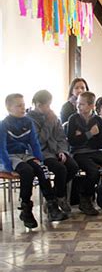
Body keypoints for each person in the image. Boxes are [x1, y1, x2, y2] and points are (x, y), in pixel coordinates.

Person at [0, 94, 68, 228]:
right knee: (27, 172)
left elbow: (34, 143)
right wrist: (8, 167)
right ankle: (26, 209)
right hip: (10, 156)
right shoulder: (4, 124)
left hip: (25, 154)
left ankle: (52, 205)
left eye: (23, 105)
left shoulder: (27, 122)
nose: (22, 108)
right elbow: (1, 148)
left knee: (42, 170)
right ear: (9, 108)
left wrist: (39, 160)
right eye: (19, 106)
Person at [27, 90, 79, 214]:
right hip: (42, 153)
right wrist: (49, 123)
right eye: (47, 105)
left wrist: (62, 151)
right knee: (60, 169)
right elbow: (39, 140)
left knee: (73, 166)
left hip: (56, 151)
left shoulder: (53, 116)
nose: (49, 108)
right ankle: (60, 197)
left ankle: (54, 196)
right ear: (38, 105)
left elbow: (61, 137)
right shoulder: (30, 120)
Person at [67, 91, 102, 215]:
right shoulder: (73, 119)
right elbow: (73, 142)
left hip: (95, 151)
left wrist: (82, 136)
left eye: (82, 104)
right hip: (79, 153)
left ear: (91, 106)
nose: (78, 107)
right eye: (78, 104)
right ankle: (85, 200)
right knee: (93, 172)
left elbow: (100, 144)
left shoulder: (98, 120)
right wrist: (90, 133)